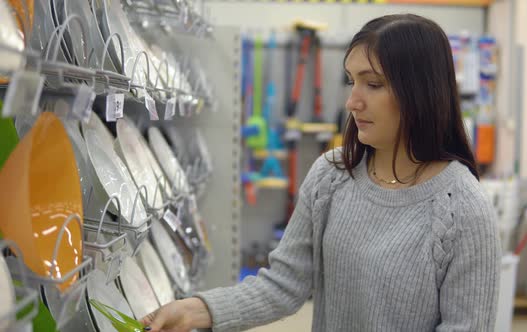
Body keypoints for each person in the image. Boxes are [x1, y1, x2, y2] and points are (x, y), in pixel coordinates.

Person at [141, 14, 501, 332]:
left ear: (421, 92)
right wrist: (197, 309)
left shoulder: (463, 210)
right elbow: (284, 283)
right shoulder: (331, 176)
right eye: (351, 81)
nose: (352, 101)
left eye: (372, 84)